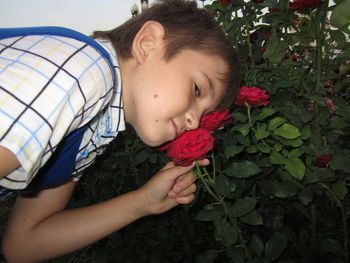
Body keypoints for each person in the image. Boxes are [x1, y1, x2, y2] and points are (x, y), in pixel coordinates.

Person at [0, 0, 240, 261]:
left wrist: (144, 202)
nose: (194, 122)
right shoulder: (85, 71)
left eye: (204, 114)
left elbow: (23, 244)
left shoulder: (92, 130)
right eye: (197, 89)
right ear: (148, 43)